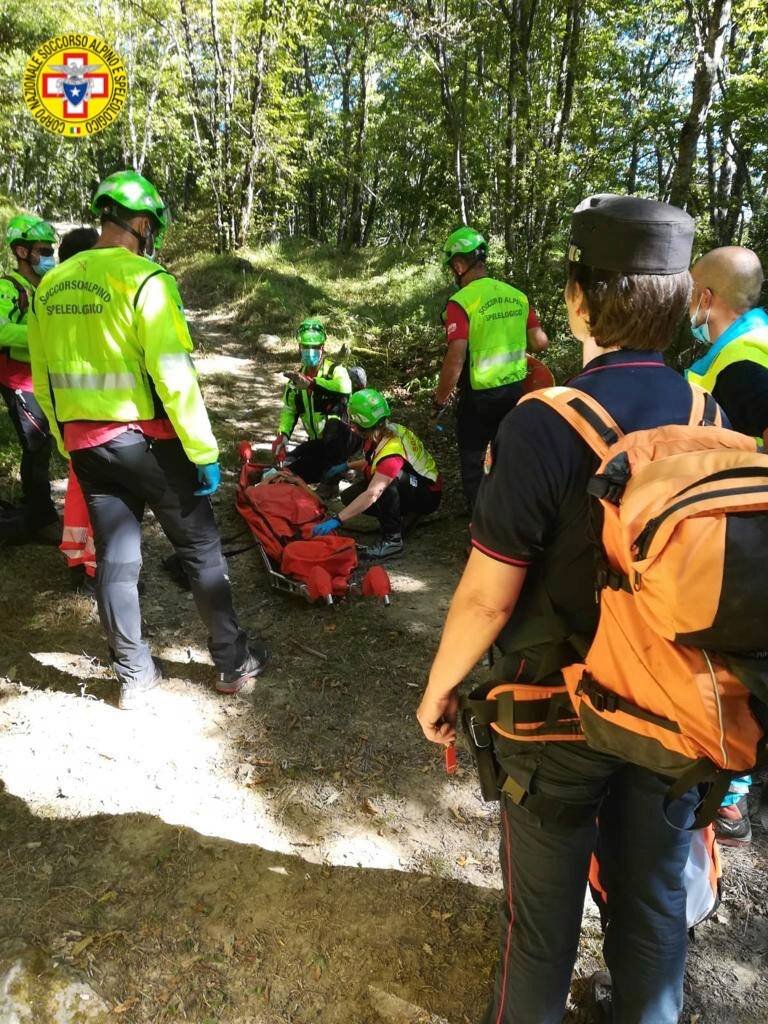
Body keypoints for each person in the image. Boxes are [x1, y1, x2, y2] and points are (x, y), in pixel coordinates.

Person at [418, 195, 701, 1024]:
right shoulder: (709, 416)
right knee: (651, 915)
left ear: (578, 298)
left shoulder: (544, 424)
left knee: (543, 931)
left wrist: (440, 689)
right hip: (674, 713)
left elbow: (485, 592)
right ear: (679, 303)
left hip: (556, 719)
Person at [28, 169, 267, 709]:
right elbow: (173, 375)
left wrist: (69, 441)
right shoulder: (145, 280)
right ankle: (232, 663)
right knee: (202, 550)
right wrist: (204, 453)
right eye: (150, 227)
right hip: (151, 443)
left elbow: (43, 378)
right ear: (140, 223)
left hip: (88, 446)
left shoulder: (51, 285)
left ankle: (135, 676)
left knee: (116, 558)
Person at [686, 245, 768, 846]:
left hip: (746, 535)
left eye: (693, 289)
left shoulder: (740, 366)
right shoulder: (756, 342)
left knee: (735, 656)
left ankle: (732, 793)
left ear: (706, 298)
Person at [434, 227, 548, 509]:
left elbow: (456, 357)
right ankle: (513, 514)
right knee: (510, 455)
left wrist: (439, 399)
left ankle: (481, 526)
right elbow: (540, 342)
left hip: (479, 397)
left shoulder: (461, 302)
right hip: (515, 392)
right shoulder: (517, 296)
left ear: (459, 265)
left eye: (452, 267)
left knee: (474, 462)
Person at [313, 388, 441, 559]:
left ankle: (393, 540)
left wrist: (337, 520)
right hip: (414, 484)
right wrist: (345, 466)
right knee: (350, 496)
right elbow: (373, 462)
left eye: (352, 421)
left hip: (428, 493)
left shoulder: (391, 452)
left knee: (385, 485)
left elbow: (374, 493)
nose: (350, 426)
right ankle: (402, 514)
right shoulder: (383, 432)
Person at [0, 215, 59, 542]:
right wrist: (40, 334)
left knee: (45, 444)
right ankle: (41, 517)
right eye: (42, 250)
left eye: (50, 249)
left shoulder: (45, 286)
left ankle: (37, 507)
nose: (49, 255)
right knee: (36, 447)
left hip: (43, 378)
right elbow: (1, 329)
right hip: (19, 381)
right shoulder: (7, 288)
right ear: (22, 252)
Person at [55, 226, 101, 590]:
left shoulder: (51, 300)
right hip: (105, 417)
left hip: (69, 415)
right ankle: (95, 569)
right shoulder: (97, 300)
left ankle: (75, 560)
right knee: (104, 499)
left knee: (77, 490)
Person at [272, 319, 357, 483]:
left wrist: (312, 384)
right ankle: (326, 471)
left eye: (314, 347)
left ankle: (338, 472)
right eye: (306, 347)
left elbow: (344, 388)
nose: (310, 351)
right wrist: (282, 436)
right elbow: (289, 410)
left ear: (322, 348)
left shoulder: (335, 371)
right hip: (315, 444)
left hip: (340, 442)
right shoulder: (294, 381)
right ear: (299, 348)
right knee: (289, 465)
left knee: (333, 430)